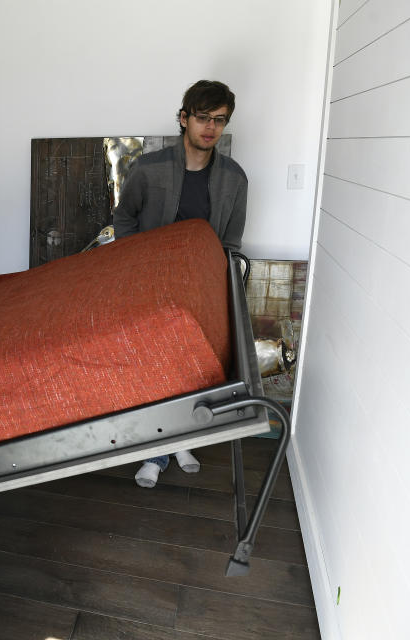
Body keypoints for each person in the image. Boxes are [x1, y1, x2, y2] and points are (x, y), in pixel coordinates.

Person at [112, 79, 248, 488]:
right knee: (155, 367)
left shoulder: (235, 180)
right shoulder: (148, 168)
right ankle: (160, 451)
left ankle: (177, 441)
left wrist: (219, 289)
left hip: (200, 287)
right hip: (151, 284)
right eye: (203, 118)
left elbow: (231, 242)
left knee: (191, 369)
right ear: (184, 118)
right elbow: (124, 218)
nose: (210, 128)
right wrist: (136, 264)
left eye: (219, 120)